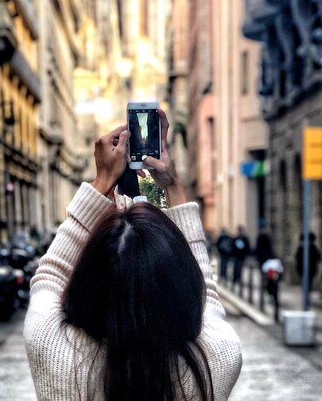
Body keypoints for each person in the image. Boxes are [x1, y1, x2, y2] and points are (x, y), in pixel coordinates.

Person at [24, 110, 242, 401]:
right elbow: (205, 293)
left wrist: (102, 181)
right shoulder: (218, 358)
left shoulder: (50, 345)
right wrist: (171, 184)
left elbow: (50, 274)